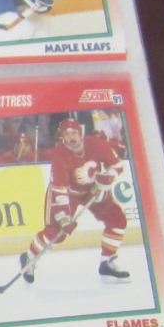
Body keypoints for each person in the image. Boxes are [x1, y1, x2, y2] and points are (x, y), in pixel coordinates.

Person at [14, 117, 132, 286]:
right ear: (62, 137)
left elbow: (118, 165)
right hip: (67, 194)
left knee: (117, 219)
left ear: (80, 132)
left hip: (93, 189)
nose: (71, 137)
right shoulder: (60, 155)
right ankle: (29, 257)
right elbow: (60, 191)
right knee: (57, 233)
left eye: (74, 133)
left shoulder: (96, 144)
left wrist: (109, 175)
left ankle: (107, 262)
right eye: (66, 134)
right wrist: (64, 219)